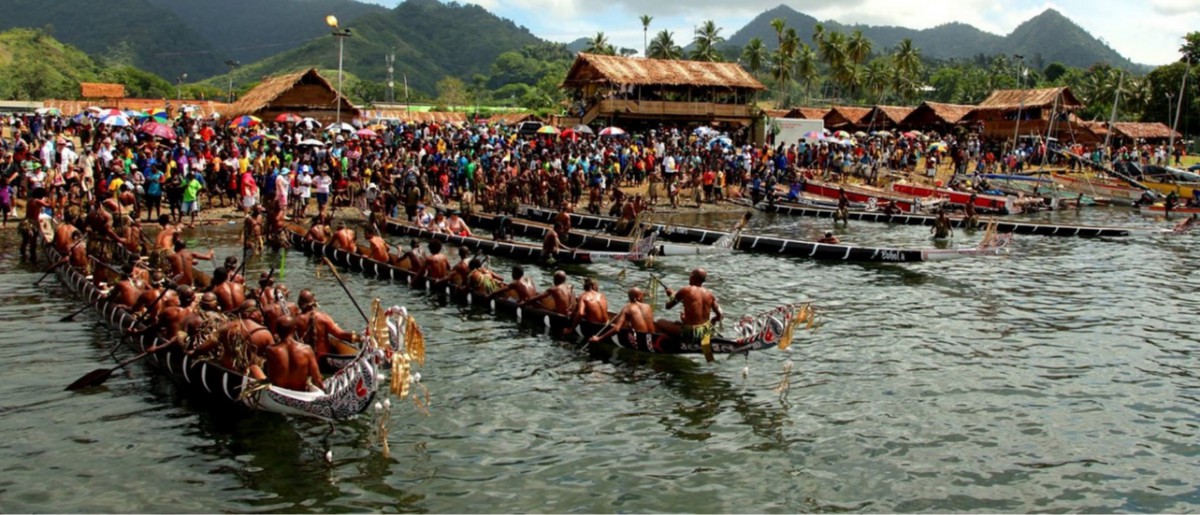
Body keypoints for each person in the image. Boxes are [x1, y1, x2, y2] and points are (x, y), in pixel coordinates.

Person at [655, 268, 722, 346]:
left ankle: (670, 344)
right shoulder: (709, 294)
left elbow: (668, 306)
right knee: (677, 323)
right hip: (706, 331)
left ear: (692, 277)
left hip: (691, 333)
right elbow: (719, 315)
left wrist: (672, 295)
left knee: (659, 322)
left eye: (690, 275)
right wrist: (712, 321)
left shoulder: (685, 290)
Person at [262, 315, 325, 392]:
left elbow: (270, 376)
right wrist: (324, 392)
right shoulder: (306, 350)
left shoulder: (271, 350)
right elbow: (317, 378)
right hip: (299, 393)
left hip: (279, 393)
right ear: (295, 329)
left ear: (277, 330)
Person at [294, 289, 361, 358]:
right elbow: (340, 335)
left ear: (299, 304)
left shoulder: (295, 320)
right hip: (323, 359)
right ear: (315, 303)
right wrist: (359, 338)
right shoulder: (323, 317)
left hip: (305, 358)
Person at [590, 287, 656, 346]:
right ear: (637, 297)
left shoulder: (627, 308)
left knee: (616, 325)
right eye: (642, 296)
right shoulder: (648, 306)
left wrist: (599, 338)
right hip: (652, 337)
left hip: (641, 340)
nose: (643, 298)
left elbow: (617, 329)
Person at [20, 188, 51, 261]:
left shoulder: (30, 200)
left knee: (25, 241)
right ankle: (33, 258)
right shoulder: (38, 201)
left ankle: (22, 255)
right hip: (32, 223)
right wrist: (50, 197)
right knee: (33, 242)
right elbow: (49, 206)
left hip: (26, 222)